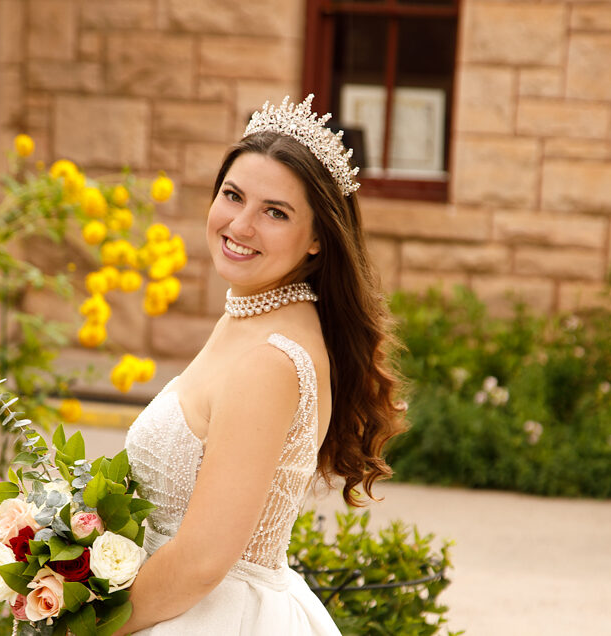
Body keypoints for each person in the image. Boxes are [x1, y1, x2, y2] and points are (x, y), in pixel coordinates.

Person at [119, 95, 406, 635]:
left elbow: (203, 562)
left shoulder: (270, 362)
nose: (241, 225)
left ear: (319, 237)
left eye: (275, 212)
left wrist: (84, 627)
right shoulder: (253, 312)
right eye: (233, 196)